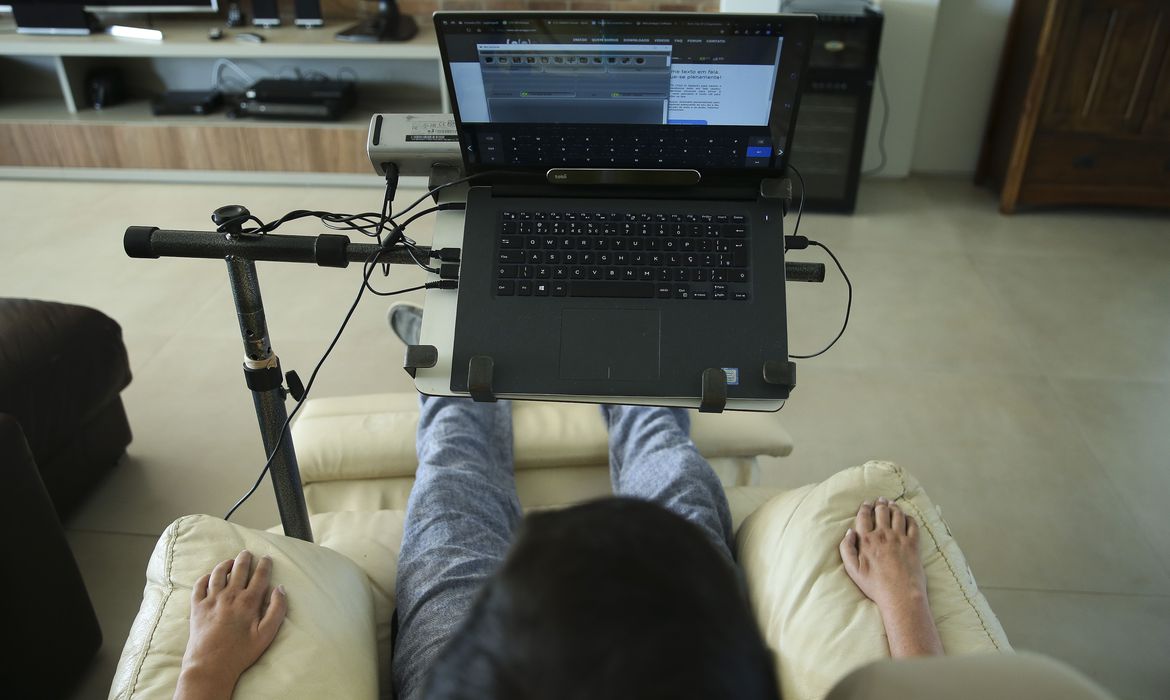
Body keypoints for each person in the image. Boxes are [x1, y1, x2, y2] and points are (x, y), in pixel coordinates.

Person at [175, 304, 943, 700]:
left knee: (452, 490)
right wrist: (904, 601)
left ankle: (460, 365)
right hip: (670, 666)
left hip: (494, 680)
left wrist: (207, 667)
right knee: (676, 486)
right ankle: (639, 375)